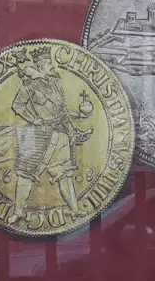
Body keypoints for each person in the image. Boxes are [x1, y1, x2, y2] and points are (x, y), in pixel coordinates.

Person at [8, 47, 94, 224]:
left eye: (50, 62)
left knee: (65, 174)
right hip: (33, 133)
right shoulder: (29, 84)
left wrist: (78, 115)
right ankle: (18, 212)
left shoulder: (56, 83)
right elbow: (17, 105)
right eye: (47, 63)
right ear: (39, 65)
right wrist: (34, 119)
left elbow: (61, 110)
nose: (51, 65)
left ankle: (74, 211)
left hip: (60, 131)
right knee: (24, 174)